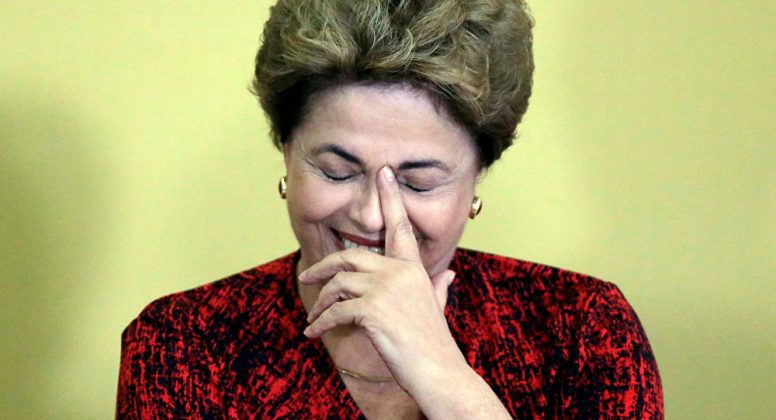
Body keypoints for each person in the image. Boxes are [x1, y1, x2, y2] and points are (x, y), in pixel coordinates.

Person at [116, 0, 663, 418]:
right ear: (286, 152)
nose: (375, 217)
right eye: (337, 171)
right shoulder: (183, 342)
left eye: (419, 182)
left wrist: (442, 374)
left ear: (477, 176)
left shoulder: (583, 329)